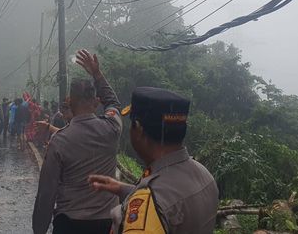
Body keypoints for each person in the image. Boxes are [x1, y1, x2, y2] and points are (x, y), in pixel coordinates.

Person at [88, 88, 219, 234]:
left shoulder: (151, 203)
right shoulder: (204, 175)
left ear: (138, 129)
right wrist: (123, 189)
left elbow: (159, 203)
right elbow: (171, 202)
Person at [32, 49, 122, 234]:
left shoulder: (59, 140)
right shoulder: (112, 128)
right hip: (107, 224)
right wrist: (97, 74)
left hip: (70, 224)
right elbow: (113, 103)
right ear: (96, 102)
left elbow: (46, 194)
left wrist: (39, 230)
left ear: (69, 102)